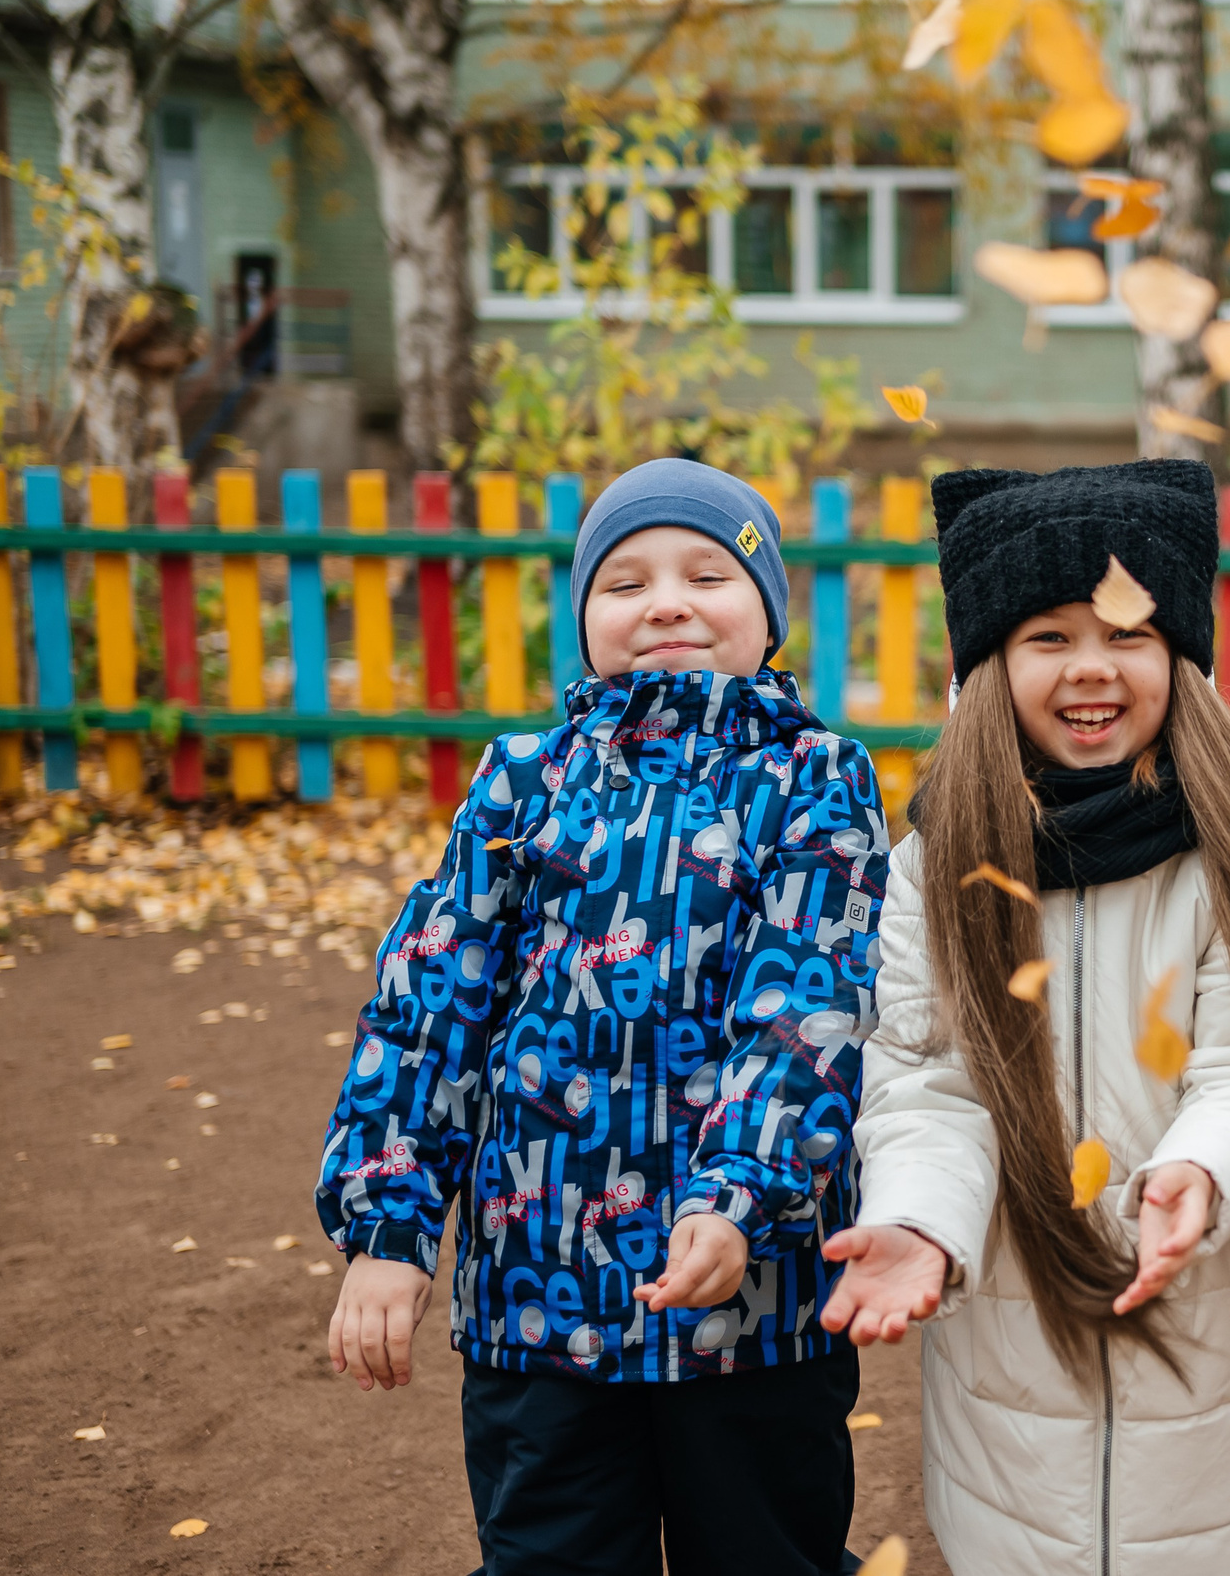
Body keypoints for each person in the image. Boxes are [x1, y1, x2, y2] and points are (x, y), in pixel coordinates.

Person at [819, 459, 1230, 1576]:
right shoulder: (934, 865)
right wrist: (916, 1215)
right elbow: (925, 1080)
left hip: (1226, 1340)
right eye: (1047, 638)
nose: (1090, 667)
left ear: (1179, 657)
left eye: (1126, 633)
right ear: (987, 664)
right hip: (1021, 1356)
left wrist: (1200, 1170)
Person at [314, 457, 887, 1576]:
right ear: (582, 622)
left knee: (767, 1554)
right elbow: (431, 1001)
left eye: (707, 573)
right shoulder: (523, 780)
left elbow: (809, 1006)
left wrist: (738, 1199)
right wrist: (388, 1227)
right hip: (540, 1303)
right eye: (622, 582)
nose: (665, 599)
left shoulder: (814, 775)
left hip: (752, 1303)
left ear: (766, 614)